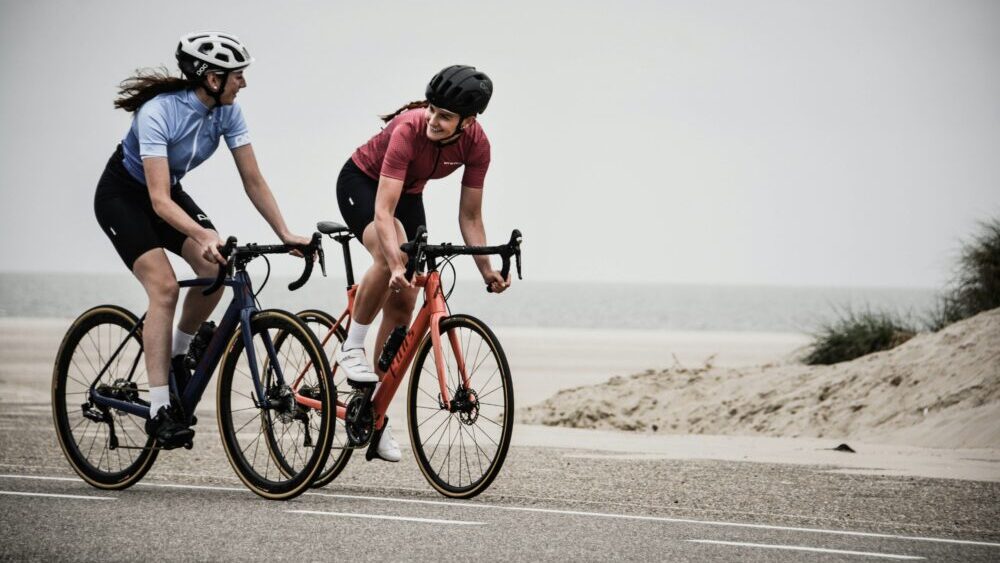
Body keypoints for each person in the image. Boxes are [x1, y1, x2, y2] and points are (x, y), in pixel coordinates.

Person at [93, 31, 310, 447]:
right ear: (212, 79)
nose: (243, 83)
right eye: (237, 76)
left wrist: (284, 233)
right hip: (124, 197)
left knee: (215, 266)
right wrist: (200, 231)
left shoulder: (229, 112)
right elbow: (157, 201)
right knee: (165, 288)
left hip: (166, 193)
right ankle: (159, 408)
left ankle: (178, 353)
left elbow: (253, 179)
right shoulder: (157, 113)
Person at [335, 65, 510, 462]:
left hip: (409, 192)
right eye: (432, 109)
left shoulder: (478, 145)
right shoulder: (408, 129)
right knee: (388, 253)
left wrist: (486, 270)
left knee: (406, 298)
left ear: (468, 122)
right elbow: (383, 212)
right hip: (363, 183)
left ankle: (374, 413)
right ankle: (352, 346)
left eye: (445, 116)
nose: (433, 120)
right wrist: (395, 261)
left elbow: (471, 218)